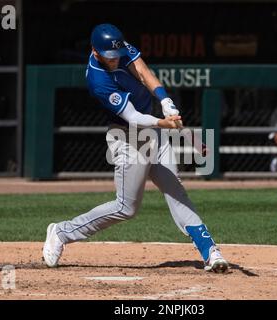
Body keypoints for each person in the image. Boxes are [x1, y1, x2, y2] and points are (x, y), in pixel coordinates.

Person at [42, 23, 229, 273]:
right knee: (126, 208)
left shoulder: (118, 47)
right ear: (95, 52)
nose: (115, 60)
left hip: (154, 130)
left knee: (175, 190)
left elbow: (142, 71)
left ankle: (210, 251)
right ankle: (62, 232)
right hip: (129, 137)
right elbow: (133, 117)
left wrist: (165, 100)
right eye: (109, 57)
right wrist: (165, 123)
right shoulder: (97, 80)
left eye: (117, 55)